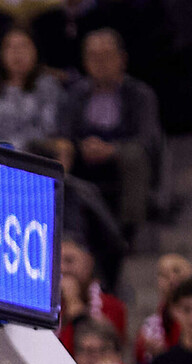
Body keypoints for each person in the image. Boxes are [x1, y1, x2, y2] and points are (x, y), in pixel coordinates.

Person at [57, 29, 163, 236]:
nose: (100, 63)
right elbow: (64, 131)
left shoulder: (141, 94)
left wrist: (112, 149)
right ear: (85, 61)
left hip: (121, 153)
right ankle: (59, 221)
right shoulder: (76, 93)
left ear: (122, 59)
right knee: (55, 150)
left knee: (134, 155)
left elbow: (148, 139)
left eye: (106, 56)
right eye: (93, 57)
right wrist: (76, 145)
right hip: (83, 153)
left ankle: (128, 232)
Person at [0, 28, 62, 152]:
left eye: (23, 46)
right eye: (10, 47)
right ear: (1, 53)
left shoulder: (48, 86)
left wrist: (15, 146)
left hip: (34, 159)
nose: (17, 53)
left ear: (35, 51)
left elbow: (49, 129)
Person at [135, 254, 192, 364]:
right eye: (164, 275)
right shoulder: (150, 325)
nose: (171, 279)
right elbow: (139, 358)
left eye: (176, 271)